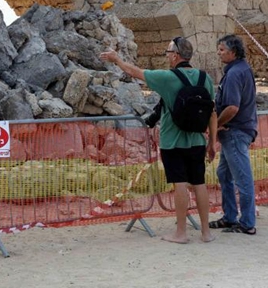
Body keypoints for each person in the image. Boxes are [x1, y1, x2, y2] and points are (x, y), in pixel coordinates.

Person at [100, 37, 217, 244]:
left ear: (176, 55)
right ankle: (206, 232)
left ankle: (181, 233)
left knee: (179, 184)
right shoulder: (204, 78)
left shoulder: (167, 78)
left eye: (168, 52)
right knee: (199, 183)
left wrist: (117, 59)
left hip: (172, 141)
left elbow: (135, 72)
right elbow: (212, 113)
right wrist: (212, 142)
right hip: (198, 140)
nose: (167, 55)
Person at [209, 34, 259, 236]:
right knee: (224, 173)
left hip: (235, 131)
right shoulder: (241, 70)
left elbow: (232, 107)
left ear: (233, 51)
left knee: (242, 179)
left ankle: (247, 222)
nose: (218, 53)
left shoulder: (234, 74)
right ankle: (230, 216)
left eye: (222, 49)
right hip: (238, 130)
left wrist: (217, 125)